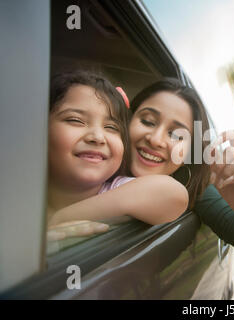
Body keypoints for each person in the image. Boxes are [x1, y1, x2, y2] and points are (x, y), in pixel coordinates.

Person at [128, 78, 234, 255]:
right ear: (126, 120)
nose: (156, 140)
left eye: (176, 135)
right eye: (148, 121)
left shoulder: (189, 184)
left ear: (190, 151)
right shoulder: (94, 162)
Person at [46, 71, 189, 237]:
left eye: (112, 128)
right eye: (75, 120)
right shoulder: (16, 190)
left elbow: (172, 194)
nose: (98, 137)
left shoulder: (115, 188)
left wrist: (59, 220)